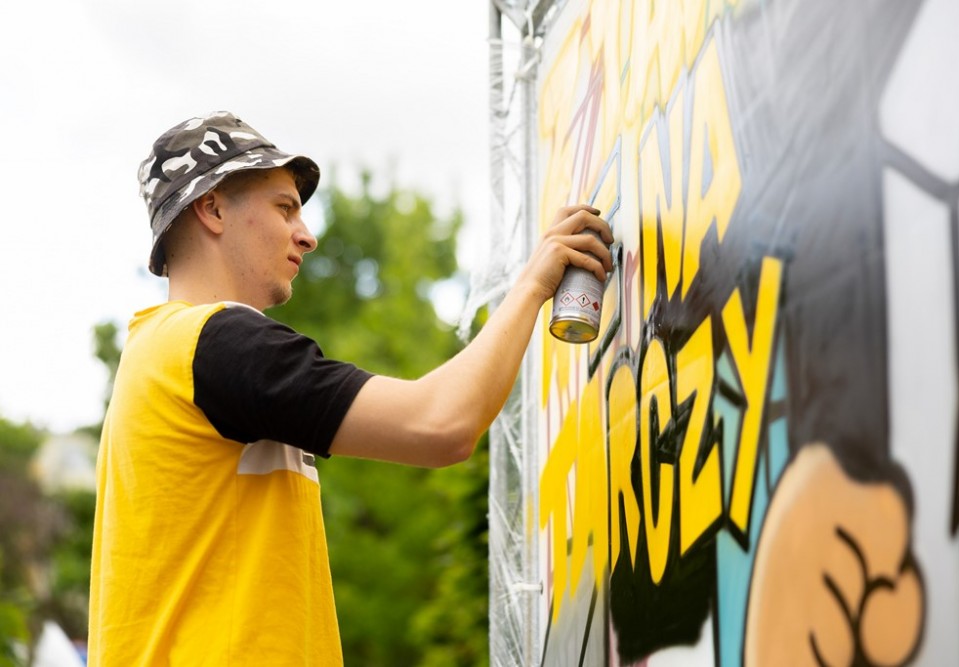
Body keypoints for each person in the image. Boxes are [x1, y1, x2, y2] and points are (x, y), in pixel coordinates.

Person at [87, 110, 612, 665]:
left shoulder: (157, 355)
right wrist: (533, 284)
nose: (307, 235)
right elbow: (442, 424)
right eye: (285, 207)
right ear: (212, 208)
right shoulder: (214, 344)